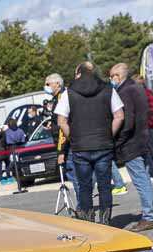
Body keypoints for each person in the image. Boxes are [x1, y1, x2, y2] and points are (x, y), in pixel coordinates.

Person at [55, 62, 124, 224]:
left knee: (85, 186)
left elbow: (61, 121)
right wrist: (109, 134)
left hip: (80, 146)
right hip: (103, 144)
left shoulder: (68, 92)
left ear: (78, 73)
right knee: (105, 185)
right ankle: (106, 221)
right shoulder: (108, 89)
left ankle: (89, 220)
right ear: (94, 72)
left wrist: (73, 137)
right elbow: (119, 115)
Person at [110, 63, 153, 232]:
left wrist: (118, 141)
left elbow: (127, 121)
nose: (111, 79)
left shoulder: (125, 92)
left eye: (112, 76)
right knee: (144, 179)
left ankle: (149, 216)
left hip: (132, 143)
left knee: (140, 180)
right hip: (142, 139)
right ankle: (150, 213)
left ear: (119, 76)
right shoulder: (136, 88)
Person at [46, 73, 77, 195]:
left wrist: (61, 151)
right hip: (64, 144)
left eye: (48, 84)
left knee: (74, 175)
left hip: (67, 146)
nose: (46, 87)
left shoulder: (61, 98)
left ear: (58, 84)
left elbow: (62, 126)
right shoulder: (55, 99)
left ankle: (83, 206)